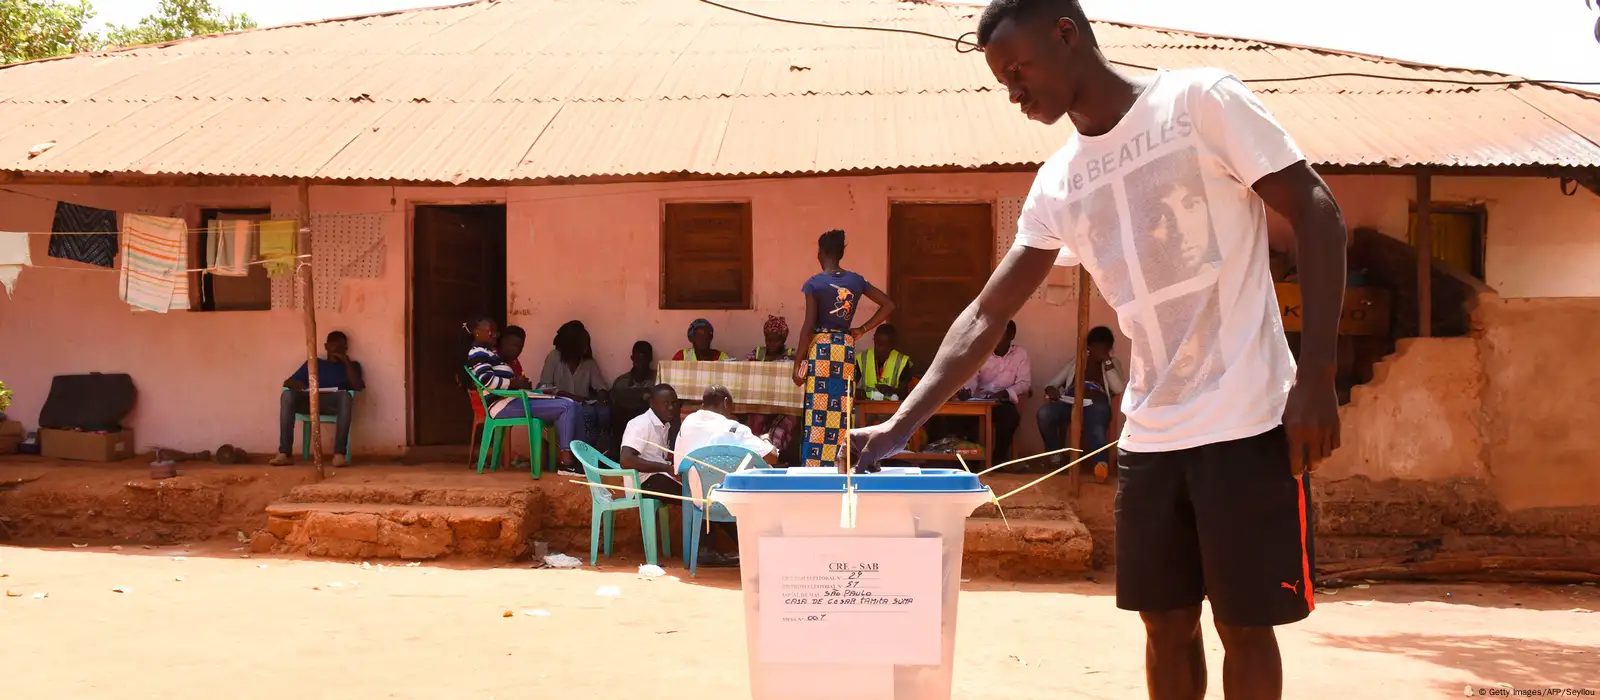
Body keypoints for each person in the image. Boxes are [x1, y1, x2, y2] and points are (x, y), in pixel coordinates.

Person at [853, 3, 1347, 698]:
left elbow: (1317, 210)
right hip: (1150, 435)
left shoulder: (1198, 102)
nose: (1013, 91)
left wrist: (1318, 374)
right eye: (1002, 81)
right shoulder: (1059, 181)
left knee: (1244, 627)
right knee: (1165, 629)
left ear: (1067, 32)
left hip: (1248, 420)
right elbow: (988, 313)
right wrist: (900, 425)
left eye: (1018, 69)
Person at [792, 229, 895, 470]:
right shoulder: (856, 281)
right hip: (845, 350)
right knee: (841, 411)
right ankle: (842, 463)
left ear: (821, 253)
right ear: (840, 253)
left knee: (818, 410)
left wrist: (797, 364)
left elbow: (808, 327)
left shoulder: (814, 283)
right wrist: (863, 329)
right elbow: (889, 304)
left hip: (821, 351)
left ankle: (815, 467)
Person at [465, 314, 583, 475]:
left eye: (495, 331)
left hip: (511, 401)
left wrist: (521, 385)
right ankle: (567, 461)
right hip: (503, 405)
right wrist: (515, 383)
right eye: (489, 331)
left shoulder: (490, 352)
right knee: (567, 406)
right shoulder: (478, 352)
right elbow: (487, 381)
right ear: (477, 332)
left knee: (569, 404)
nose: (494, 335)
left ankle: (569, 458)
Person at [674, 385, 775, 565]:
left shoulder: (687, 423)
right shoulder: (734, 428)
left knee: (713, 480)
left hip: (696, 498)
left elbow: (678, 465)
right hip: (731, 500)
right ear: (726, 402)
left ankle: (707, 550)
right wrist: (766, 440)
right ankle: (761, 553)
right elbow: (772, 457)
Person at [1039, 325, 1126, 481]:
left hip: (1096, 404)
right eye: (1096, 347)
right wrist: (1052, 390)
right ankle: (1056, 457)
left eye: (1104, 348)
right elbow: (1052, 383)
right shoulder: (1077, 362)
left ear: (1109, 349)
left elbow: (1118, 388)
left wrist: (1106, 361)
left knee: (1097, 421)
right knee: (1045, 414)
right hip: (1070, 403)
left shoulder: (1112, 363)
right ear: (1089, 347)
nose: (1100, 351)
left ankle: (1101, 465)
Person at [273, 330, 364, 468]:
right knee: (287, 395)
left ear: (346, 348)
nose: (338, 349)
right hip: (309, 402)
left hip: (331, 404)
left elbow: (357, 386)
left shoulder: (352, 366)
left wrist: (345, 361)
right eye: (334, 346)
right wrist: (300, 385)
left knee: (345, 396)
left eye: (342, 346)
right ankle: (285, 453)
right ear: (326, 346)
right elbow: (287, 382)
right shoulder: (314, 363)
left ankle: (339, 454)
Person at [956, 320, 1031, 464]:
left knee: (1010, 418)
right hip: (979, 402)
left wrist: (1006, 393)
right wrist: (967, 391)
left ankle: (997, 459)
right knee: (963, 419)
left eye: (1001, 334)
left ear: (1012, 335)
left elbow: (1025, 383)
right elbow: (972, 379)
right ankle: (973, 460)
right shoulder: (980, 353)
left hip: (1003, 402)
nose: (996, 338)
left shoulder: (1021, 354)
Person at [538, 320, 612, 453]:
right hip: (560, 407)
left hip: (583, 404)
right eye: (582, 344)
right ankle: (581, 454)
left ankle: (597, 451)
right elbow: (543, 387)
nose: (585, 347)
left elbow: (601, 386)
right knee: (586, 413)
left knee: (604, 412)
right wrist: (571, 396)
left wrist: (603, 396)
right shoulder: (554, 357)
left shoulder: (588, 362)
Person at [745, 315, 799, 461]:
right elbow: (746, 370)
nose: (771, 343)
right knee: (756, 421)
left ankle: (772, 456)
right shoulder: (757, 353)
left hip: (785, 405)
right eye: (768, 339)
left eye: (776, 340)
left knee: (784, 427)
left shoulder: (792, 355)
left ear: (783, 340)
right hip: (760, 403)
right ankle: (754, 455)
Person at [610, 340, 658, 437]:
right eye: (638, 361)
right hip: (625, 429)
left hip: (651, 430)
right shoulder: (621, 382)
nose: (642, 364)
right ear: (632, 358)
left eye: (645, 360)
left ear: (651, 359)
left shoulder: (658, 379)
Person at [857, 323, 914, 400]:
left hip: (892, 408)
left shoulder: (902, 361)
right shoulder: (862, 358)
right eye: (877, 343)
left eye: (884, 345)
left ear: (893, 344)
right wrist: (860, 394)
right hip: (867, 407)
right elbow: (850, 388)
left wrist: (892, 391)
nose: (879, 348)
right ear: (874, 339)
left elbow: (905, 393)